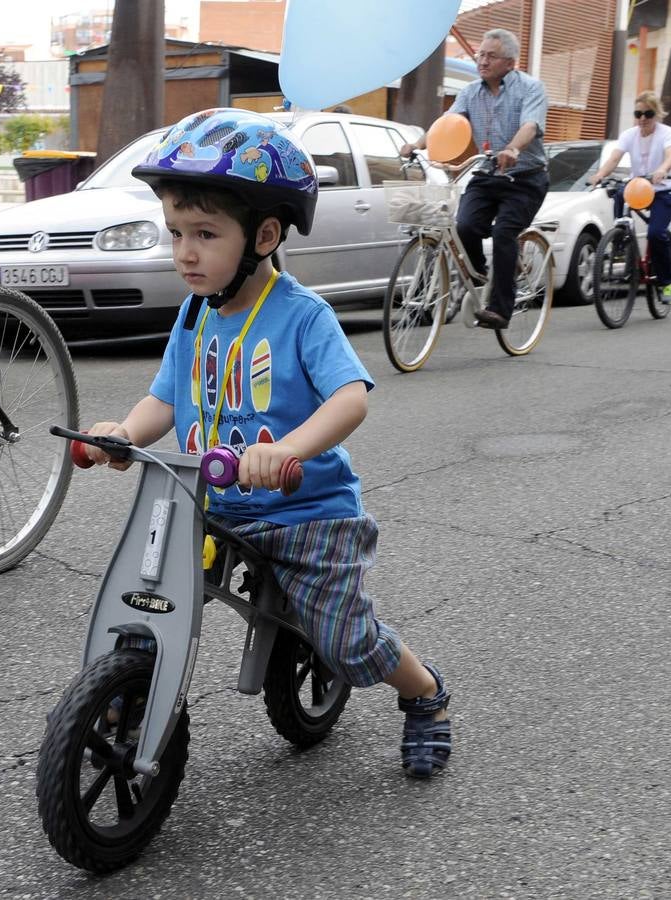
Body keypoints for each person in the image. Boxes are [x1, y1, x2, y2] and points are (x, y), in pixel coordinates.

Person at [83, 108, 453, 779]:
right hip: (213, 503)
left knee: (345, 641)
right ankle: (130, 688)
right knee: (146, 585)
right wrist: (121, 435)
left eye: (204, 233)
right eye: (174, 234)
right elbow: (164, 399)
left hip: (306, 513)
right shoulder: (194, 316)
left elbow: (349, 398)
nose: (184, 252)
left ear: (264, 234)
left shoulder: (300, 314)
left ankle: (423, 691)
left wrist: (288, 451)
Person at [400, 28, 549, 330]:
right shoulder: (470, 92)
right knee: (464, 226)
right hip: (487, 174)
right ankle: (483, 274)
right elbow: (446, 124)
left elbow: (530, 125)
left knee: (504, 232)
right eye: (480, 54)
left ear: (509, 62)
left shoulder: (531, 88)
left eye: (490, 56)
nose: (482, 60)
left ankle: (500, 309)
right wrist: (417, 145)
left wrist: (513, 148)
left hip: (525, 178)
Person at [588, 90, 671, 303]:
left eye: (647, 114)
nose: (642, 119)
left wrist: (662, 169)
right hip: (640, 186)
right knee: (619, 192)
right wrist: (600, 175)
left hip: (665, 188)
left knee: (656, 233)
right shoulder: (629, 135)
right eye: (638, 113)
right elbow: (614, 158)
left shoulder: (667, 133)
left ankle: (667, 283)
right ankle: (620, 241)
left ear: (656, 114)